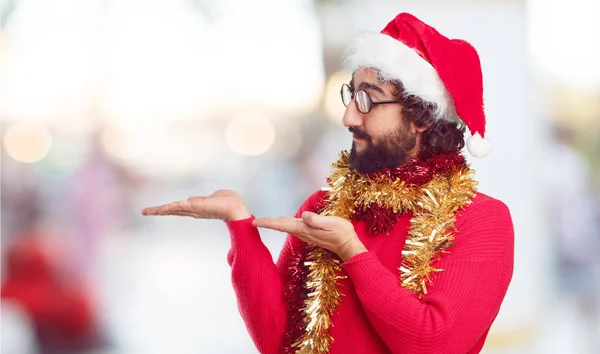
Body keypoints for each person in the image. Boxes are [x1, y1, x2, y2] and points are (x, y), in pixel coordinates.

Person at [142, 12, 514, 354]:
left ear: (421, 115)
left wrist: (352, 253)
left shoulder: (482, 219)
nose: (349, 115)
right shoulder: (323, 208)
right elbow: (279, 343)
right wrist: (239, 224)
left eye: (368, 99)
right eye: (351, 94)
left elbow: (435, 344)